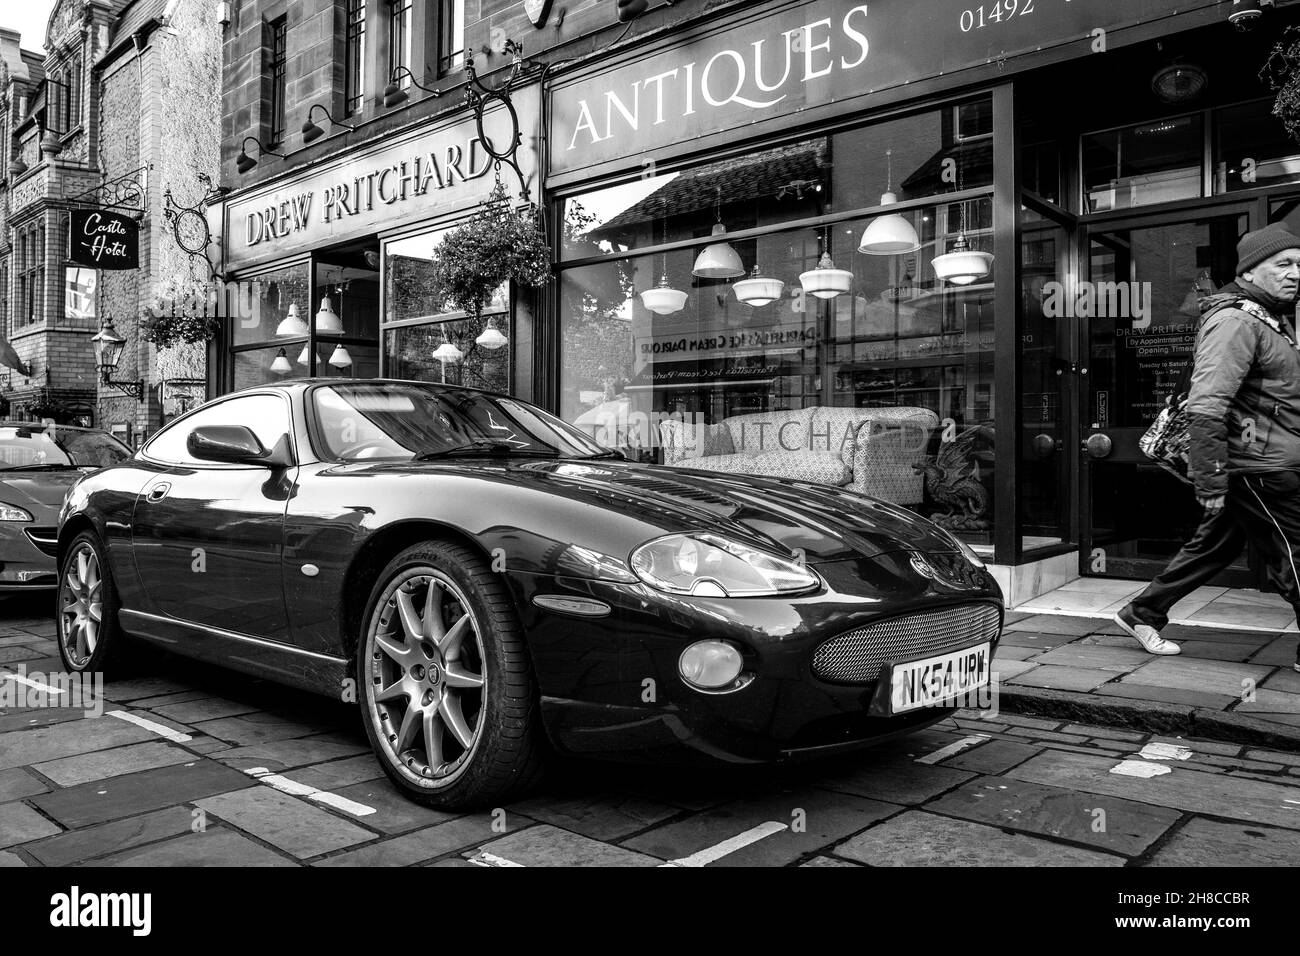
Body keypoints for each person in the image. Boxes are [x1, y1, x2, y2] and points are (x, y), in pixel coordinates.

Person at [1114, 222, 1300, 673]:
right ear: (1252, 271)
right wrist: (1211, 475)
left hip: (1268, 458)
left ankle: (1141, 613)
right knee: (1295, 552)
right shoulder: (1236, 319)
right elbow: (1208, 404)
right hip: (1255, 466)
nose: (1296, 273)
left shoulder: (1273, 318)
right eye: (1284, 264)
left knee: (1214, 545)